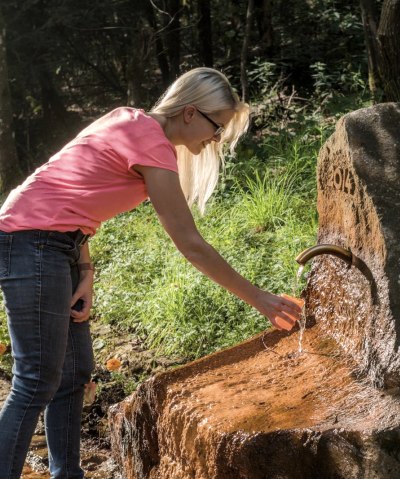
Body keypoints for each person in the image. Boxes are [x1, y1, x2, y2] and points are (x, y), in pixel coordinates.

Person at [0, 67, 302, 479]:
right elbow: (190, 243)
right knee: (35, 380)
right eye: (217, 128)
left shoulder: (130, 121)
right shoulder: (150, 143)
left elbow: (68, 195)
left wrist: (84, 268)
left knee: (73, 373)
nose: (215, 140)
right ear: (191, 113)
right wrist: (261, 299)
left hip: (57, 244)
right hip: (29, 243)